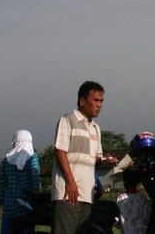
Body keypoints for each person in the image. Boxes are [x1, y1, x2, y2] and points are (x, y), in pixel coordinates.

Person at [52, 81, 118, 234]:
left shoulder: (96, 128)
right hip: (69, 192)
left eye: (101, 101)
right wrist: (71, 183)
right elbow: (60, 151)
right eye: (95, 100)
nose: (99, 105)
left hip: (87, 193)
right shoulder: (68, 120)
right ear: (82, 101)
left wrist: (105, 161)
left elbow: (94, 159)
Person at [0, 129, 41, 234]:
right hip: (26, 207)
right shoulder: (32, 159)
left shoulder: (6, 160)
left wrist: (2, 201)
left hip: (9, 206)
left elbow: (2, 185)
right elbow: (35, 184)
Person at [116, 167, 150, 234]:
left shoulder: (120, 199)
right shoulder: (142, 198)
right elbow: (147, 217)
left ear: (124, 182)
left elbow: (117, 221)